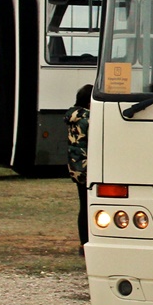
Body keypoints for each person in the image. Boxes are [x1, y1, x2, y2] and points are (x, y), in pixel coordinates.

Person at [65, 84, 92, 252]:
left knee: (83, 205)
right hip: (89, 166)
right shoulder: (88, 119)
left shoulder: (72, 117)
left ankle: (83, 242)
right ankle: (90, 241)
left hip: (76, 165)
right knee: (91, 206)